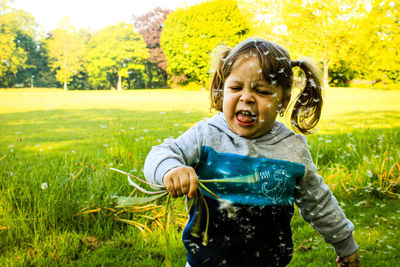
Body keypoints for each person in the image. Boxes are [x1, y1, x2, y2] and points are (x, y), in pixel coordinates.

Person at [144, 38, 360, 267]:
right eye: (236, 88)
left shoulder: (292, 150)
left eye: (262, 91)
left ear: (283, 101)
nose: (246, 97)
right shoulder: (207, 136)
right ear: (223, 90)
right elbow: (160, 153)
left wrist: (345, 245)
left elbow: (318, 202)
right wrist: (171, 168)